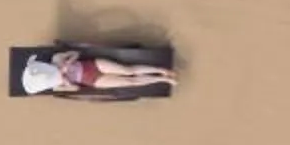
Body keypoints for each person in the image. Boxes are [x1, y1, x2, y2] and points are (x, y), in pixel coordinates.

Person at [20, 48, 177, 95]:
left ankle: (161, 71)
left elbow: (75, 53)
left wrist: (67, 63)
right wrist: (65, 81)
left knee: (127, 71)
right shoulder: (56, 86)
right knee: (130, 82)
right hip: (92, 81)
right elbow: (76, 88)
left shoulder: (56, 58)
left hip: (91, 66)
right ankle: (163, 80)